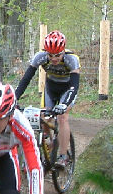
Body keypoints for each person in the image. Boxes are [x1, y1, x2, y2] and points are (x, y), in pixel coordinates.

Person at [14, 30, 80, 168]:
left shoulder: (72, 59)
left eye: (57, 55)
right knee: (43, 117)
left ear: (63, 51)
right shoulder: (40, 57)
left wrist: (65, 104)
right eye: (50, 55)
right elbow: (25, 80)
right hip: (50, 88)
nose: (54, 59)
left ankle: (63, 157)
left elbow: (74, 86)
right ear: (46, 52)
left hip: (67, 90)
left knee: (62, 117)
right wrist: (14, 98)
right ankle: (49, 144)